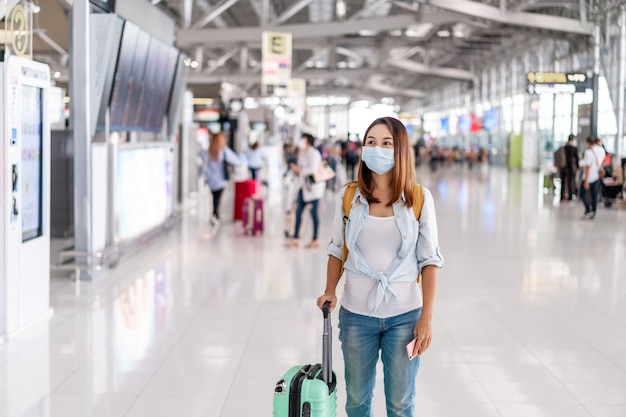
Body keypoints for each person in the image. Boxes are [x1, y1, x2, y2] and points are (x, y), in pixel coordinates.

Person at [316, 117, 444, 417]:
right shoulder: (349, 196)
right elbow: (337, 249)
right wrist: (329, 291)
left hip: (404, 317)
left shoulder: (419, 199)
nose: (377, 149)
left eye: (386, 143)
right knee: (357, 401)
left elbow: (430, 261)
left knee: (400, 404)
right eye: (371, 142)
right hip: (356, 316)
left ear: (400, 150)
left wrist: (427, 317)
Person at [285, 133, 326, 248]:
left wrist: (298, 169)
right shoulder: (303, 153)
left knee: (314, 214)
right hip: (303, 187)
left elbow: (312, 169)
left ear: (307, 140)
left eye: (302, 138)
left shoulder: (314, 153)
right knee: (298, 212)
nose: (300, 141)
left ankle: (315, 239)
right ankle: (296, 238)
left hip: (314, 189)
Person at [204, 132, 241, 225]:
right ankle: (215, 214)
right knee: (217, 198)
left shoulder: (208, 151)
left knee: (214, 197)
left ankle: (215, 214)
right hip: (221, 180)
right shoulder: (224, 151)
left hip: (211, 180)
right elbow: (236, 160)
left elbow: (205, 167)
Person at [580, 136, 606, 220]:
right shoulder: (601, 150)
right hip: (596, 176)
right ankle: (593, 212)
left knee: (582, 194)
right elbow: (602, 160)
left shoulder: (588, 152)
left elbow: (587, 166)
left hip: (589, 176)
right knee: (595, 195)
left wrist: (586, 180)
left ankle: (588, 209)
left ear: (588, 142)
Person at [563, 134, 579, 200]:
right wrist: (577, 166)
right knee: (571, 181)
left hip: (564, 166)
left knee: (564, 181)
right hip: (571, 167)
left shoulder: (564, 148)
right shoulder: (574, 148)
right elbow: (577, 158)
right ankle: (571, 195)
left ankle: (563, 195)